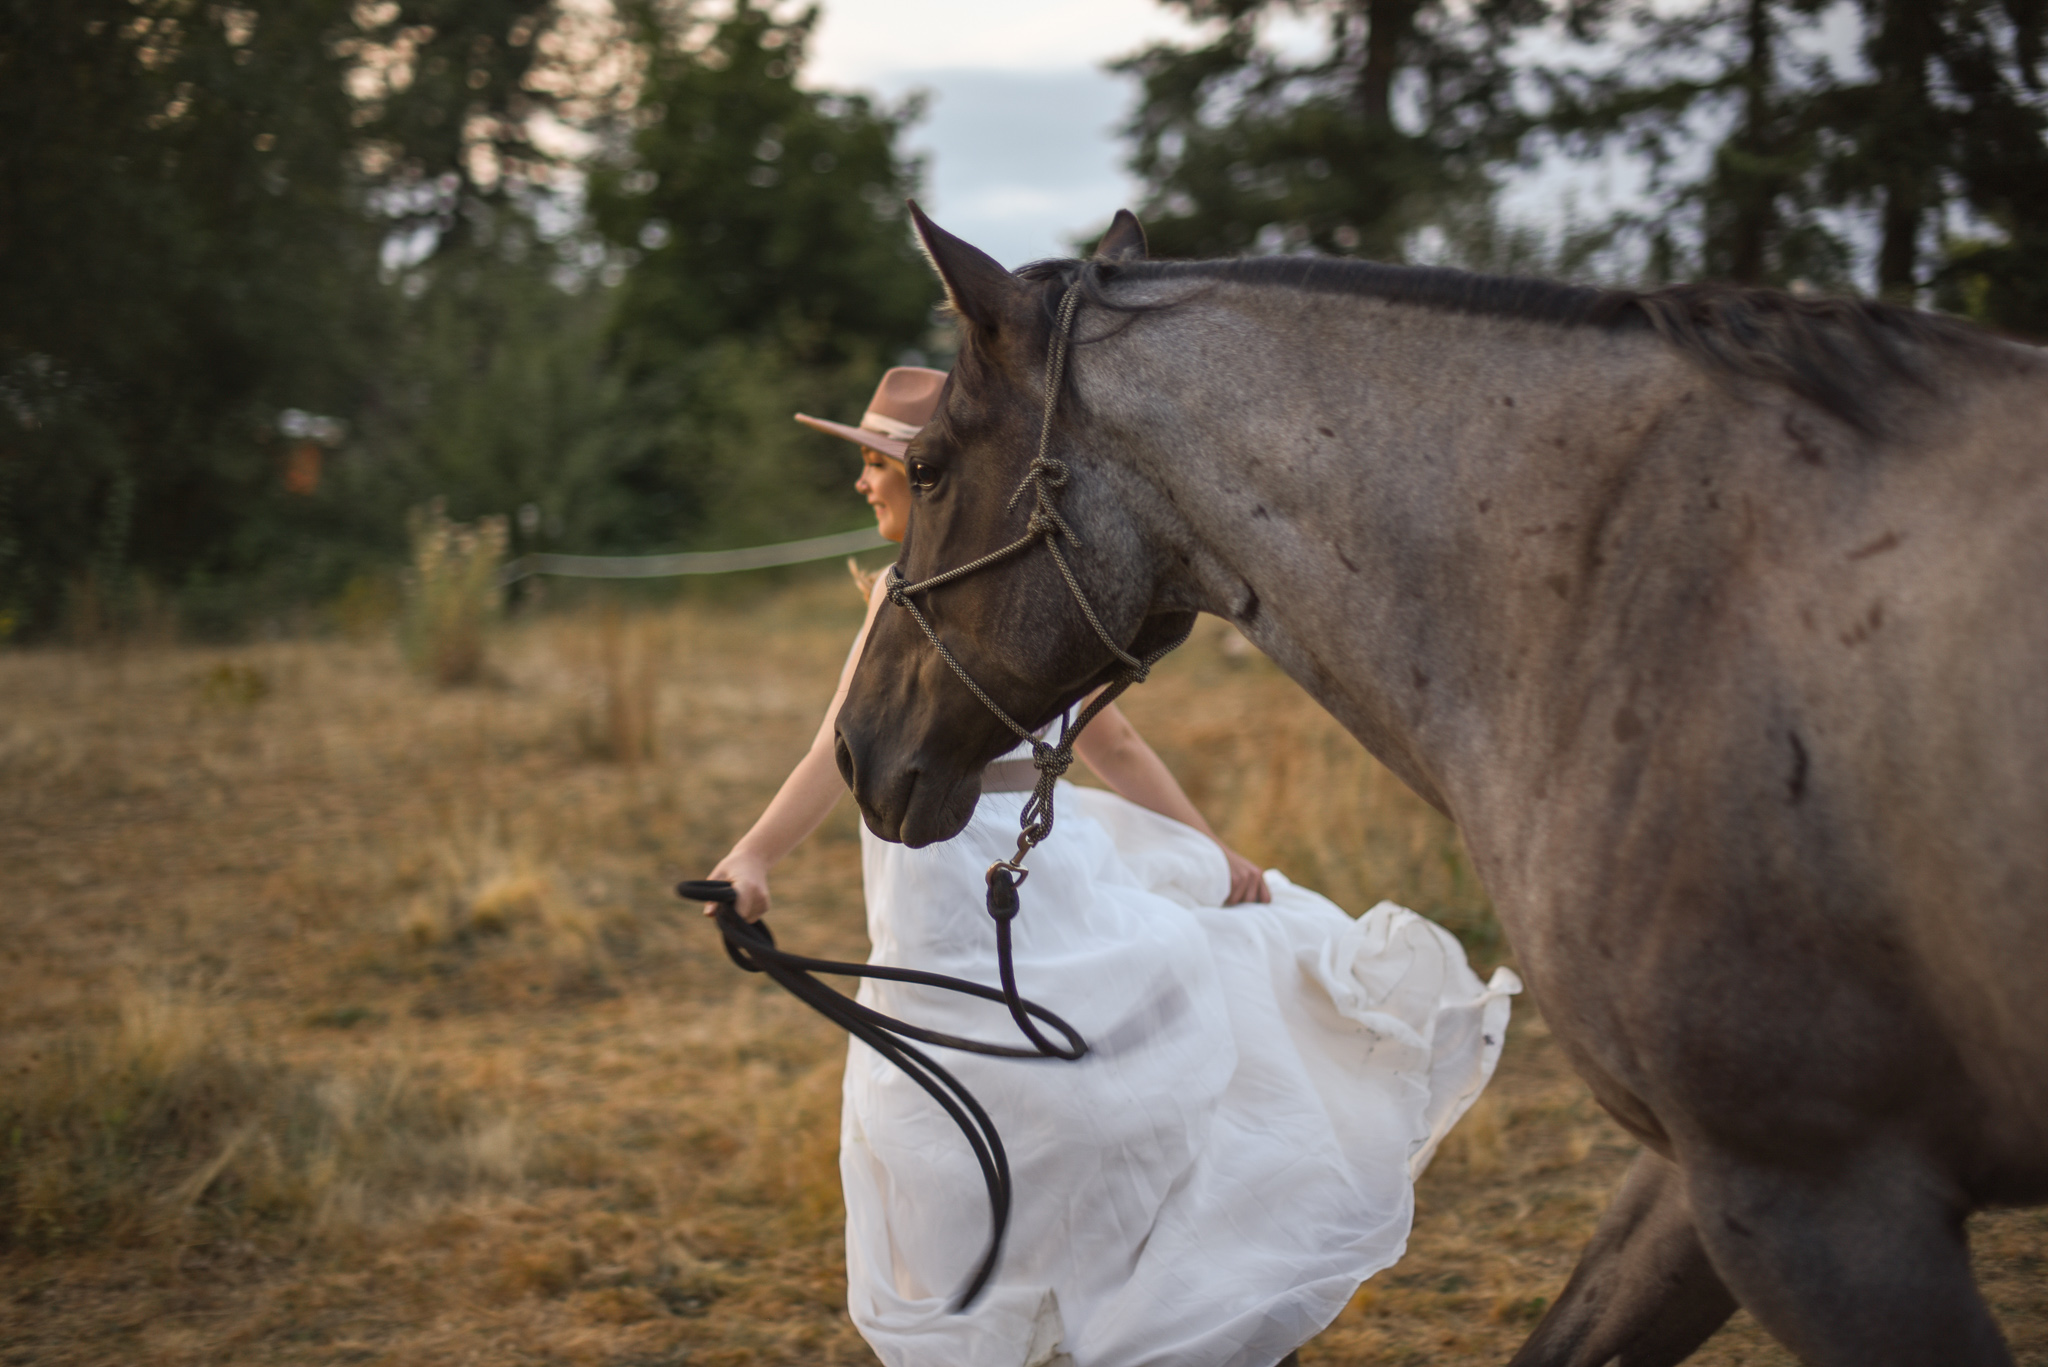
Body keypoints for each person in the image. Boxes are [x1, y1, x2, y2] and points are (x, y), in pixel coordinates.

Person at [701, 367, 1520, 1367]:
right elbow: (866, 744)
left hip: (997, 867)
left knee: (1044, 1093)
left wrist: (1211, 852)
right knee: (1025, 1092)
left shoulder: (922, 596)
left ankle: (1130, 1299)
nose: (861, 484)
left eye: (875, 464)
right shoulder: (958, 590)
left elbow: (1099, 738)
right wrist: (754, 853)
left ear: (926, 477)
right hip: (963, 875)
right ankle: (1078, 1295)